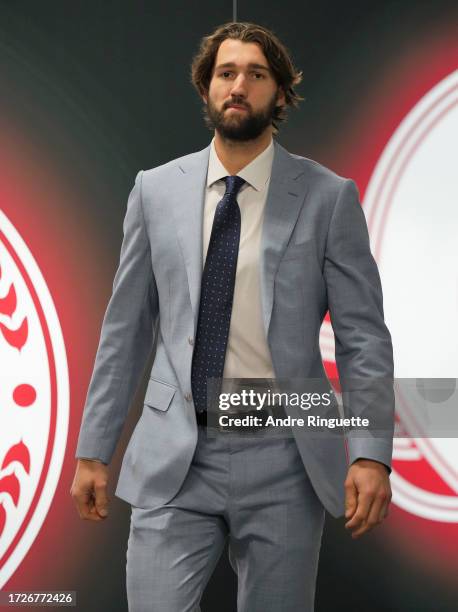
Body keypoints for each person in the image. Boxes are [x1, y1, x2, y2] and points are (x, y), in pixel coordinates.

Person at [71, 21, 394, 612]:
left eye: (256, 74)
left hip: (285, 455)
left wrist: (371, 451)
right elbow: (124, 331)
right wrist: (94, 449)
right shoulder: (155, 190)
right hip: (174, 451)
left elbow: (363, 338)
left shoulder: (328, 197)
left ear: (279, 93)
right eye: (226, 73)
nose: (238, 85)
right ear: (206, 88)